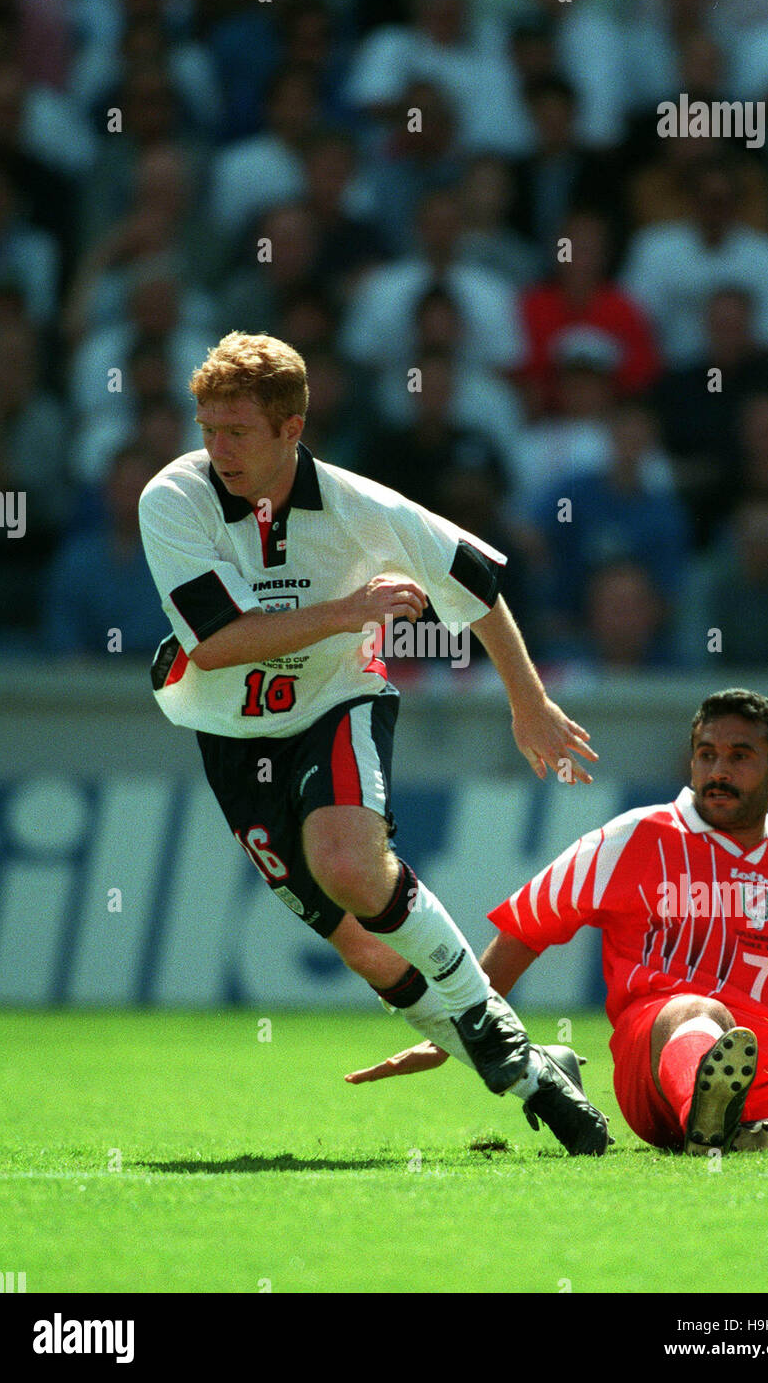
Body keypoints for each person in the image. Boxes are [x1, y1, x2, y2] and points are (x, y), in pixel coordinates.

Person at [137, 331, 608, 1156]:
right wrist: (351, 610)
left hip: (336, 699)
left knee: (352, 868)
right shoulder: (172, 499)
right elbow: (214, 642)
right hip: (226, 727)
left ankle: (497, 1041)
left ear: (292, 429)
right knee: (361, 947)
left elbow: (478, 585)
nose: (217, 449)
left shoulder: (362, 505)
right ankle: (535, 1068)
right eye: (207, 428)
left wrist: (528, 704)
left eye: (237, 431)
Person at [348, 689, 768, 1156]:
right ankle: (707, 1115)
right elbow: (526, 928)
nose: (718, 769)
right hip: (655, 1059)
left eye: (739, 756)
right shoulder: (637, 836)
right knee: (699, 1011)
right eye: (706, 754)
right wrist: (458, 1031)